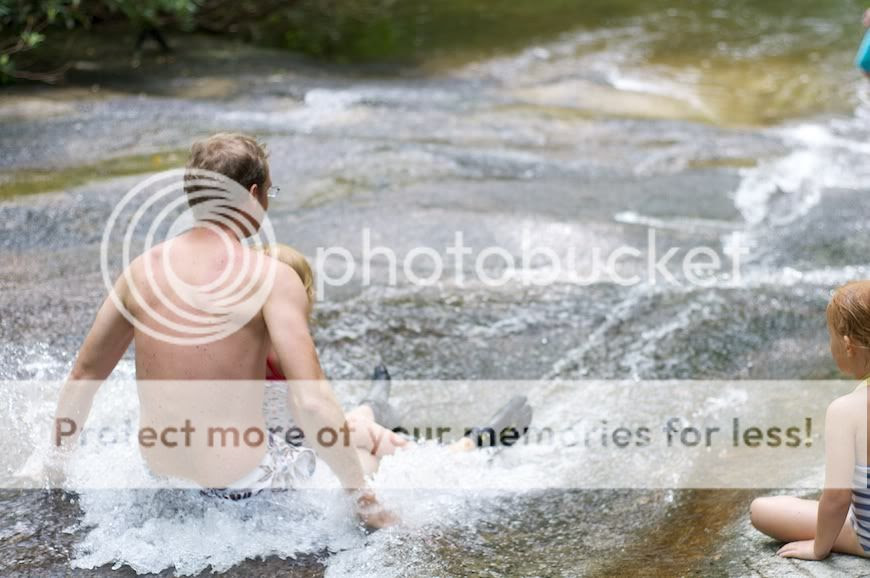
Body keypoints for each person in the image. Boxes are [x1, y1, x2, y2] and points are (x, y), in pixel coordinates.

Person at [51, 133, 396, 528]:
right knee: (364, 454)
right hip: (242, 491)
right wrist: (361, 497)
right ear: (253, 194)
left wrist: (55, 470)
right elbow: (312, 401)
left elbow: (85, 375)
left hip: (163, 484)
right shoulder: (271, 278)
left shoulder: (140, 272)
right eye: (270, 191)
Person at [257, 243, 534, 477]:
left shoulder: (250, 340)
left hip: (289, 452)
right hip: (292, 461)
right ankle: (459, 452)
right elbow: (312, 413)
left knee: (360, 440)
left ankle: (373, 406)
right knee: (360, 438)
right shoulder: (284, 349)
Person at [749, 281, 870, 560]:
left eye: (831, 338)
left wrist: (819, 548)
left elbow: (837, 498)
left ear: (848, 345)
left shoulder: (846, 410)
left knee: (762, 510)